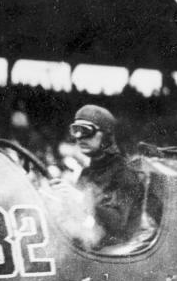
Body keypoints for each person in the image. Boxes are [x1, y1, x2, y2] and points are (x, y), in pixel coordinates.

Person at [56, 104, 145, 247]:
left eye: (86, 131)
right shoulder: (87, 173)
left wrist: (80, 198)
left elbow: (117, 224)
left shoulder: (124, 174)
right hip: (94, 249)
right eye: (76, 130)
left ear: (105, 135)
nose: (79, 138)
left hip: (119, 256)